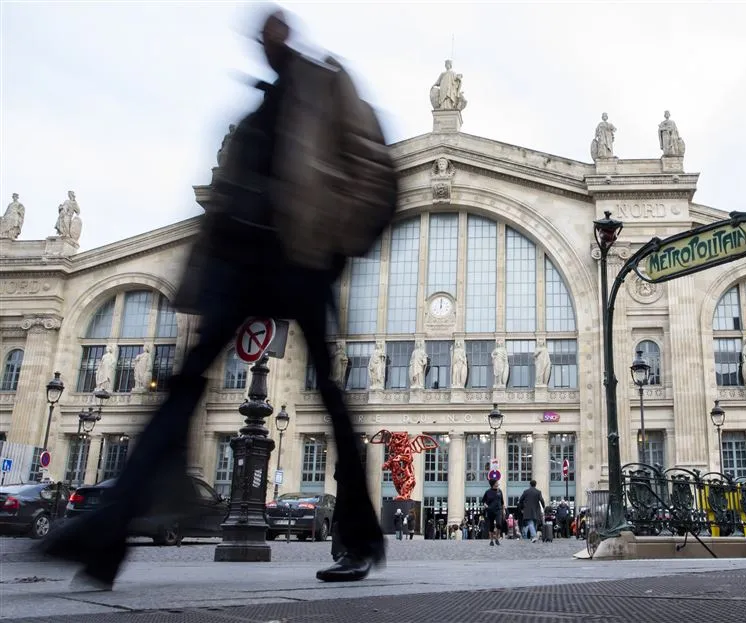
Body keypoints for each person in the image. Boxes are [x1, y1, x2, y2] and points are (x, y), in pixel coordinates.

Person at [39, 7, 394, 587]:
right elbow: (224, 195)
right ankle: (110, 532)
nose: (265, 35)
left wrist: (336, 240)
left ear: (290, 34)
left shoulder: (326, 85)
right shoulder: (258, 107)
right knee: (184, 385)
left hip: (300, 258)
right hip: (241, 259)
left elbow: (371, 167)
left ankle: (359, 535)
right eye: (259, 30)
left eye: (275, 26)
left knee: (328, 396)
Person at [517, 479, 545, 543]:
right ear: (535, 485)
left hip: (528, 510)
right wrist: (543, 507)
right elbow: (542, 500)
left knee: (530, 523)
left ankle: (534, 536)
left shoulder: (526, 491)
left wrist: (522, 508)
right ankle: (533, 536)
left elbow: (520, 500)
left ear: (530, 484)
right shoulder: (538, 492)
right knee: (534, 523)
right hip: (536, 510)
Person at [482, 478, 505, 546]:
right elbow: (483, 501)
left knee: (499, 524)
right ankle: (491, 540)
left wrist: (503, 511)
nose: (498, 483)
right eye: (496, 482)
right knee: (491, 526)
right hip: (490, 510)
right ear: (493, 484)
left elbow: (502, 502)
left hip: (499, 510)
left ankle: (497, 538)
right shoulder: (488, 492)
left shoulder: (499, 491)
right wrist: (485, 505)